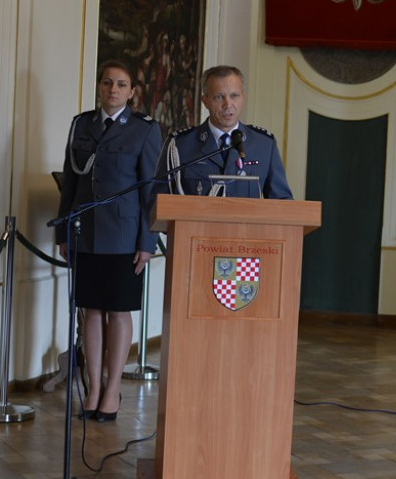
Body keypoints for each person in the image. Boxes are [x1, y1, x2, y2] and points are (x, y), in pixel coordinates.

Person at [55, 60, 162, 422]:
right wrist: (63, 231)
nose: (113, 90)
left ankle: (113, 389)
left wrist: (148, 241)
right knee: (91, 309)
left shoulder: (144, 131)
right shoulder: (81, 124)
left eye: (121, 84)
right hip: (85, 232)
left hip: (123, 236)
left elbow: (151, 190)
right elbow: (71, 183)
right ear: (99, 87)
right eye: (107, 83)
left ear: (132, 92)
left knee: (118, 311)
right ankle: (94, 387)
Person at [155, 65, 292, 199]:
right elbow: (158, 203)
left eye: (234, 96)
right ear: (205, 101)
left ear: (243, 97)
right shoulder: (180, 145)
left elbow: (282, 203)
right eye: (219, 97)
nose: (228, 104)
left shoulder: (264, 145)